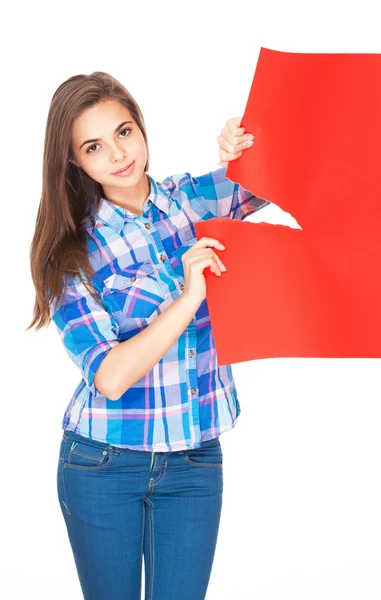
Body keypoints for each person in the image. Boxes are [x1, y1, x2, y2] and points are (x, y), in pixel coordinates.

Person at [27, 71, 269, 600]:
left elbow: (279, 172)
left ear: (140, 127)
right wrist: (186, 300)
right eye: (94, 146)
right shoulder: (69, 254)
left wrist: (248, 137)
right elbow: (111, 377)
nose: (117, 154)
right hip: (103, 465)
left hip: (194, 461)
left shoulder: (194, 204)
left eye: (124, 131)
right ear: (74, 160)